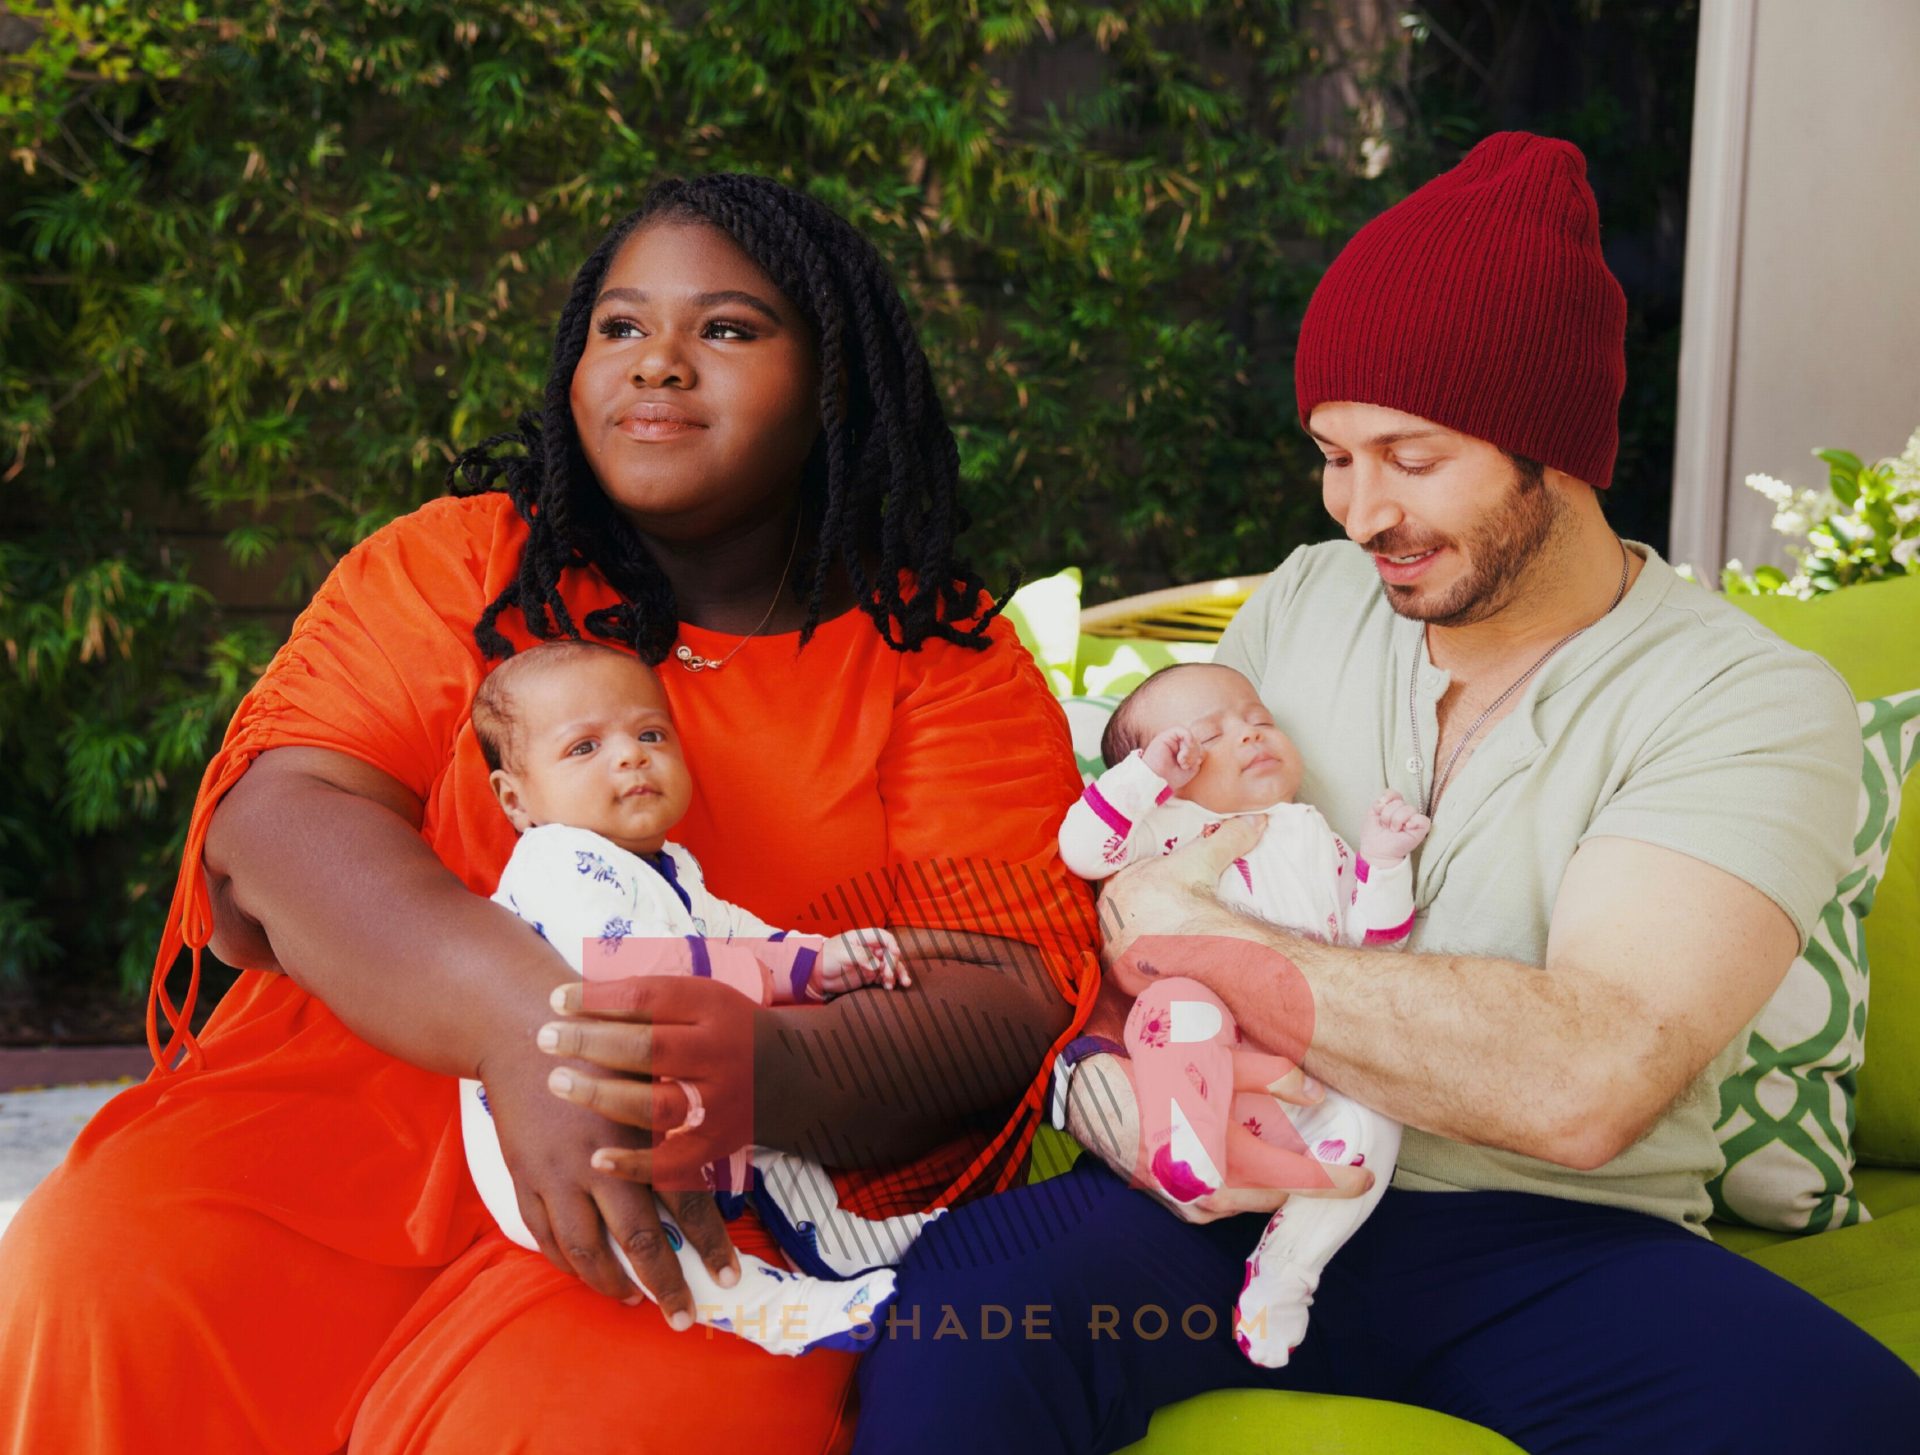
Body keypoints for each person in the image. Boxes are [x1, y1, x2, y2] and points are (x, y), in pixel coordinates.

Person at [853, 132, 1920, 1453]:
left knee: (1844, 1417)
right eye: (1332, 452)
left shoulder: (1744, 697)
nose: (1362, 512)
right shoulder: (1308, 596)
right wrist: (1096, 1082)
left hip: (1548, 1241)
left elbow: (1587, 1078)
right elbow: (1121, 877)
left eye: (1413, 457)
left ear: (1558, 447)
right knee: (962, 1316)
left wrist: (1208, 933)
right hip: (1224, 1195)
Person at [0, 173, 1097, 1454]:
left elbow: (1010, 992)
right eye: (620, 328)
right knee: (107, 1264)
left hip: (719, 1186)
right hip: (335, 1130)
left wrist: (739, 1073)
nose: (660, 366)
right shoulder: (459, 563)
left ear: (835, 388)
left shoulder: (942, 664)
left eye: (728, 330)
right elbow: (282, 823)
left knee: (607, 1417)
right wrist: (529, 1029)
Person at [460, 640, 928, 1358]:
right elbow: (628, 968)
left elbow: (736, 931)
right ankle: (768, 1307)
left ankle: (841, 1238)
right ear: (516, 800)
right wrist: (772, 984)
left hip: (658, 1082)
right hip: (567, 1136)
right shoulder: (556, 860)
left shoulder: (669, 866)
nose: (630, 756)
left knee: (773, 1124)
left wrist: (820, 960)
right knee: (649, 1215)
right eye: (584, 747)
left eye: (649, 734)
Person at [1057, 661, 1423, 1363]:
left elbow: (1374, 944)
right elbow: (1082, 847)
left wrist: (1385, 861)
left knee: (1377, 1118)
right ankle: (1184, 1139)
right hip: (1199, 1051)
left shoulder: (1313, 831)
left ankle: (1289, 1268)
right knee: (1179, 1001)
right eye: (1208, 735)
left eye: (1258, 719)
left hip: (1310, 1067)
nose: (1250, 735)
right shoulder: (1169, 825)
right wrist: (1144, 778)